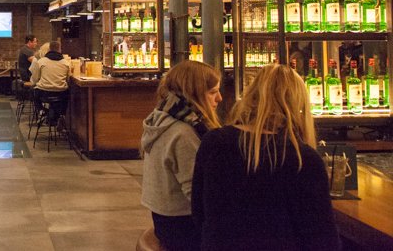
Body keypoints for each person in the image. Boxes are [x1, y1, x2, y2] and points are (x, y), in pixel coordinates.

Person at [192, 64, 341, 250]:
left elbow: (198, 212)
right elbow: (322, 239)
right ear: (298, 105)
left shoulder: (214, 141)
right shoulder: (303, 159)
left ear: (251, 96)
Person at [141, 60, 222, 251]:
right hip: (181, 226)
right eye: (212, 92)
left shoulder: (163, 117)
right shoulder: (184, 134)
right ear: (193, 95)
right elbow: (196, 194)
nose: (219, 98)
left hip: (164, 219)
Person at [29, 40, 71, 123]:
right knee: (67, 93)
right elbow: (68, 80)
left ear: (49, 49)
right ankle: (62, 115)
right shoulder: (66, 63)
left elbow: (35, 79)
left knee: (33, 90)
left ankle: (42, 111)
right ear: (60, 50)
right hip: (61, 93)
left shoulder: (41, 61)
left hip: (43, 92)